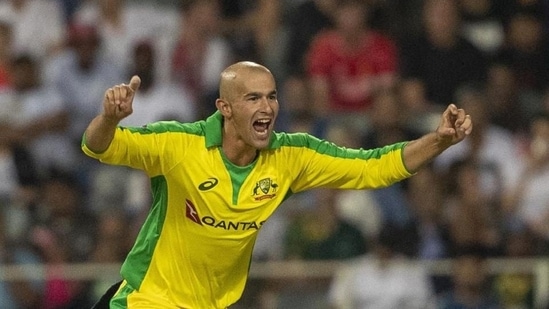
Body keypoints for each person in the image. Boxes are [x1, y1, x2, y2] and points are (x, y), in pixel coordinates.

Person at [82, 61, 472, 308]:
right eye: (253, 98)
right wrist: (110, 118)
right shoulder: (180, 145)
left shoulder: (290, 156)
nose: (267, 108)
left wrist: (438, 140)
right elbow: (97, 146)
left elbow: (373, 168)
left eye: (272, 97)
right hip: (148, 300)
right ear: (226, 108)